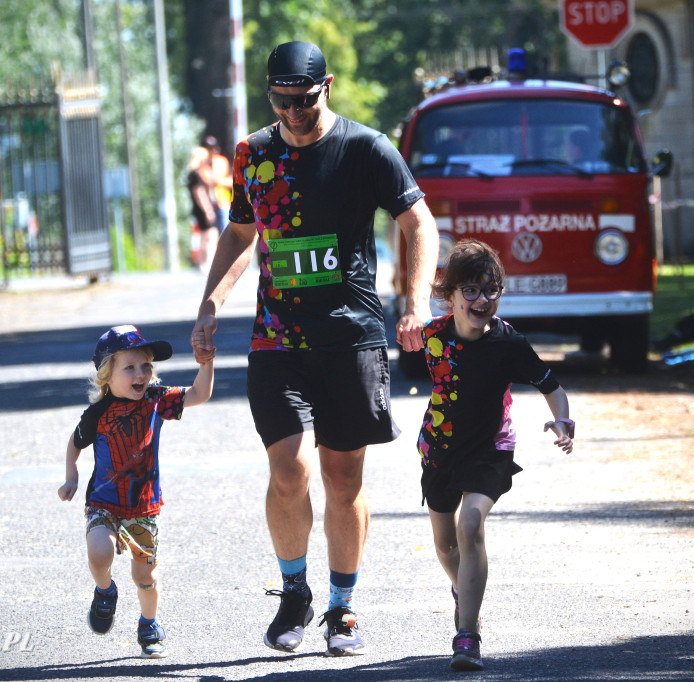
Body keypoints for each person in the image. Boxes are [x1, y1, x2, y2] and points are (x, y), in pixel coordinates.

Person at [190, 40, 438, 657]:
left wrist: (417, 302)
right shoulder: (254, 153)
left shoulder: (365, 148)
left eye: (303, 100)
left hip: (351, 335)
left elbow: (418, 222)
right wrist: (211, 303)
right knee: (289, 469)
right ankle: (295, 591)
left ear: (326, 86)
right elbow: (243, 233)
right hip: (278, 339)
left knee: (342, 475)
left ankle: (343, 606)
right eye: (280, 102)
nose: (293, 114)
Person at [417, 239, 573, 672]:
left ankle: (467, 635)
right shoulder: (430, 337)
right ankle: (464, 593)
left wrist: (563, 421)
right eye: (470, 290)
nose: (482, 299)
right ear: (448, 296)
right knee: (446, 546)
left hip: (491, 448)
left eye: (491, 289)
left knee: (471, 526)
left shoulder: (508, 343)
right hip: (439, 448)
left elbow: (553, 389)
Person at [57, 324, 214, 658]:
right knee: (100, 553)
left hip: (144, 506)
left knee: (146, 576)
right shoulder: (98, 413)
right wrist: (71, 475)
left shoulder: (157, 401)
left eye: (146, 366)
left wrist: (206, 362)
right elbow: (76, 441)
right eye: (129, 367)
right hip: (104, 502)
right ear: (107, 376)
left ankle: (149, 622)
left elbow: (200, 394)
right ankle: (105, 591)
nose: (140, 373)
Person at [186, 146, 219, 268]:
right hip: (202, 208)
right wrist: (208, 210)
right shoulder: (196, 174)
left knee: (205, 235)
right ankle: (206, 262)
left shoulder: (190, 174)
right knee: (210, 235)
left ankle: (203, 263)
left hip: (196, 208)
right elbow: (199, 193)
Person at [203, 134, 233, 231]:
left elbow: (231, 181)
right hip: (209, 205)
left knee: (224, 231)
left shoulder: (222, 161)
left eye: (213, 148)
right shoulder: (203, 164)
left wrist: (218, 181)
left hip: (222, 202)